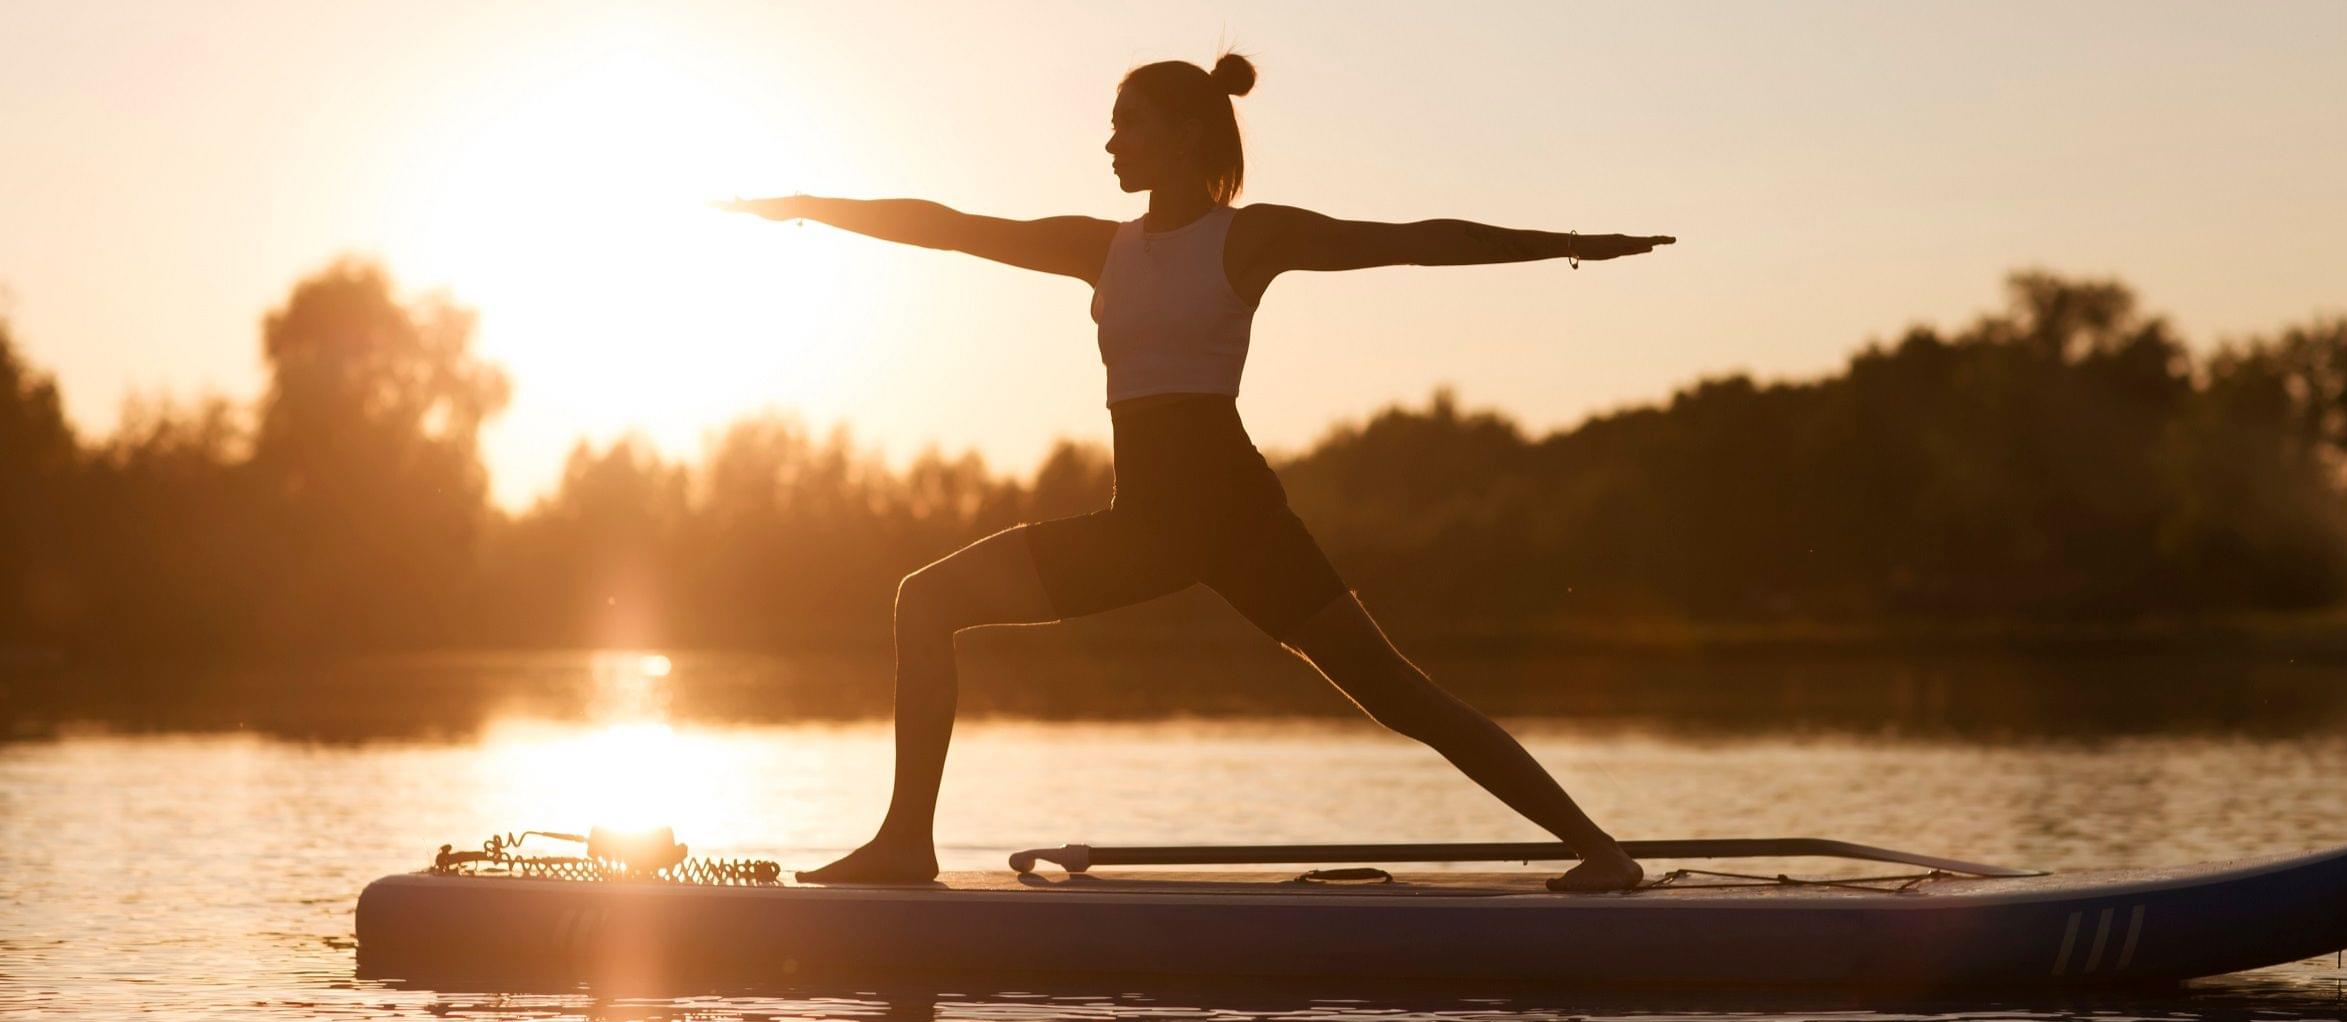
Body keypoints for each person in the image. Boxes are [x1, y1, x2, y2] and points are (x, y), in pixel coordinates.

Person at [717, 52, 1674, 891]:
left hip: (1235, 517)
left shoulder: (1248, 237)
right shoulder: (1101, 248)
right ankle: (904, 844)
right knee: (925, 602)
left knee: (1401, 696)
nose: (1109, 148)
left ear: (1180, 132)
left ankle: (1601, 851)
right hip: (1145, 527)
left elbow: (1418, 240)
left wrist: (1571, 246)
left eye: (1125, 126)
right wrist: (807, 207)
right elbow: (947, 224)